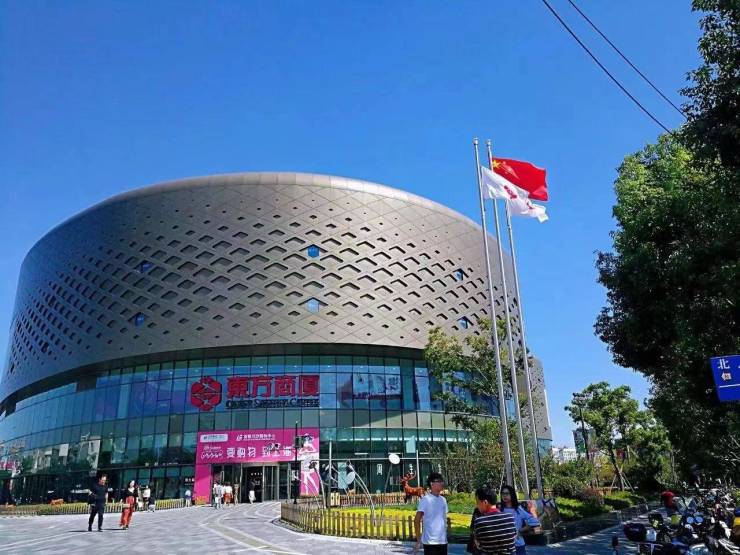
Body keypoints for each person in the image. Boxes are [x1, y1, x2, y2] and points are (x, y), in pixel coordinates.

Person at [471, 486, 517, 554]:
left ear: (485, 502)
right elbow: (514, 538)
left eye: (478, 502)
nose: (477, 505)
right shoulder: (510, 518)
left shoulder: (479, 521)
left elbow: (478, 545)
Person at [499, 485, 540, 555]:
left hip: (518, 546)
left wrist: (521, 530)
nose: (504, 496)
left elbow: (535, 521)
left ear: (512, 494)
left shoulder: (518, 509)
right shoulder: (499, 510)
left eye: (507, 493)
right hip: (503, 547)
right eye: (503, 493)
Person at [414, 472, 447, 555]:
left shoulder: (443, 500)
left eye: (442, 481)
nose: (442, 483)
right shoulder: (425, 500)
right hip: (430, 542)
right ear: (432, 484)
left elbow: (443, 520)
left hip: (443, 541)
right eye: (439, 481)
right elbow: (417, 520)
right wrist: (418, 539)